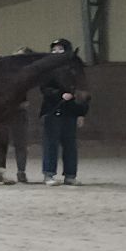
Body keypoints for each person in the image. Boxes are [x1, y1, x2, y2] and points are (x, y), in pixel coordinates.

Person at [40, 38, 88, 185]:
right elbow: (45, 89)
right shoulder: (47, 69)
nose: (56, 52)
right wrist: (59, 95)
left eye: (60, 49)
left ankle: (70, 175)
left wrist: (81, 112)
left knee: (70, 145)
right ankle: (49, 174)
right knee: (50, 144)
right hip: (53, 110)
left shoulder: (76, 70)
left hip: (71, 111)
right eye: (54, 50)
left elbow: (83, 91)